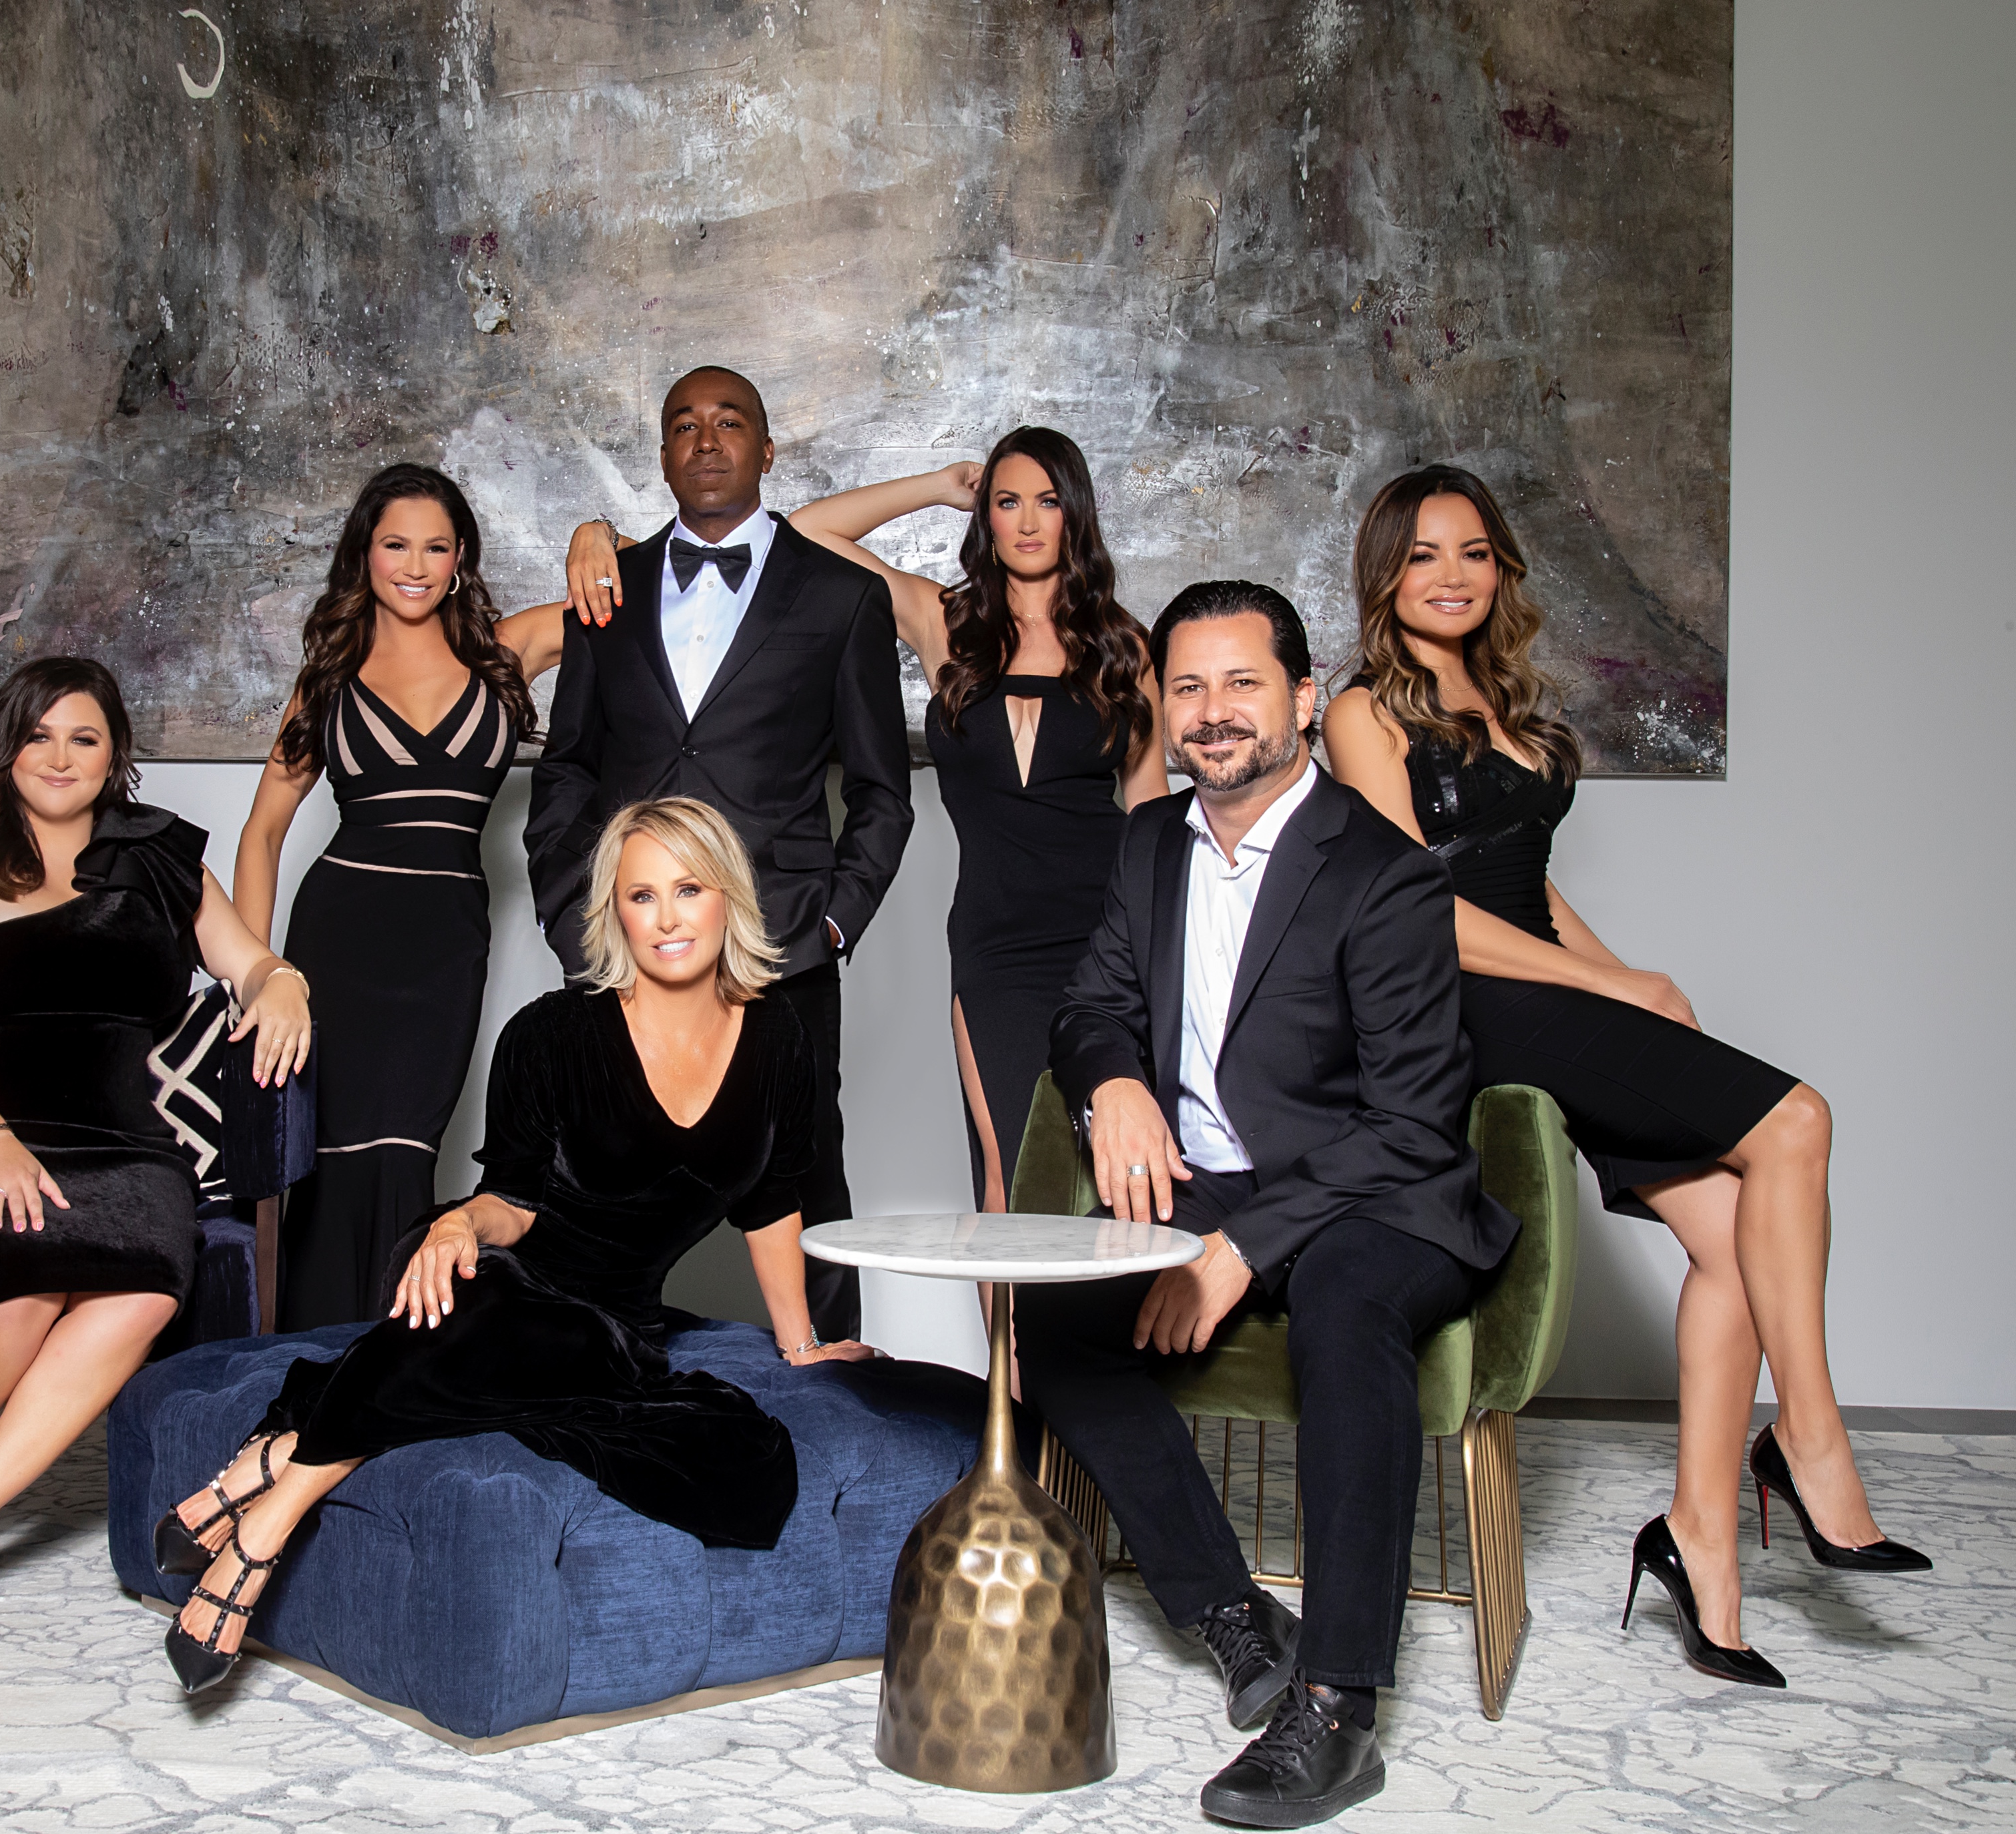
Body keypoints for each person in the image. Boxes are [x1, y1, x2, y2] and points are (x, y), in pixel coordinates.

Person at [1321, 465, 1927, 1688]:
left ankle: (1701, 1544)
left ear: (1501, 569)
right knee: (1797, 1120)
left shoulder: (1505, 699)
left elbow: (1525, 883)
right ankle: (1809, 1442)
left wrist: (1627, 976)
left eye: (1475, 551)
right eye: (1425, 553)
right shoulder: (1360, 712)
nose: (1453, 574)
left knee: (1738, 1236)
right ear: (1386, 573)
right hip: (1465, 1010)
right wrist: (1610, 990)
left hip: (1539, 985)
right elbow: (1414, 905)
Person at [152, 798, 875, 1696]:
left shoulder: (778, 1038)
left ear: (728, 894)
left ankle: (278, 1457)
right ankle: (263, 1531)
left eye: (689, 889)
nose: (667, 916)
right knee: (498, 1315)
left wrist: (801, 1343)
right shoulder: (552, 1032)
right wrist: (456, 1224)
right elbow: (512, 1202)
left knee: (730, 1455)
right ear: (615, 912)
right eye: (641, 895)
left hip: (616, 1321)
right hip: (484, 1265)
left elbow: (771, 1204)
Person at [1021, 582, 1517, 1828]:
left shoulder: (1385, 872)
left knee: (1346, 1308)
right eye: (1187, 686)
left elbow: (1411, 1121)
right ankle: (1234, 1614)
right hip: (1210, 1180)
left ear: (1301, 696)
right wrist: (1114, 1085)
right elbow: (1088, 1007)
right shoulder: (1149, 842)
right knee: (1055, 1310)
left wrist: (1242, 1246)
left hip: (1379, 1191)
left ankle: (1338, 1707)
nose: (1213, 711)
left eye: (1242, 682)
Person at [0, 657, 311, 1659]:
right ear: (5, 747)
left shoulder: (162, 857)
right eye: (39, 734)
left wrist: (282, 982)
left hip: (122, 1147)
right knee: (24, 1270)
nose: (59, 757)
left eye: (84, 737)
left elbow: (247, 962)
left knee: (141, 1287)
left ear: (114, 755)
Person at [534, 367, 914, 1341]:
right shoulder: (604, 588)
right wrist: (566, 908)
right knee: (592, 1176)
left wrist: (835, 923)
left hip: (784, 943)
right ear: (663, 455)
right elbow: (567, 764)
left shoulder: (844, 597)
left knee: (808, 1172)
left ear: (767, 449)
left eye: (730, 422)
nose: (706, 441)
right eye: (684, 426)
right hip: (628, 942)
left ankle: (834, 1381)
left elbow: (883, 790)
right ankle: (584, 1374)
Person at [776, 429, 1164, 1210]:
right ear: (985, 515)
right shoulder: (943, 621)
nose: (1028, 521)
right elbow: (805, 533)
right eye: (1007, 501)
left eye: (1047, 501)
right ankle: (1009, 1310)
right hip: (996, 940)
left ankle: (1096, 1301)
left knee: (1109, 1174)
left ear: (1075, 512)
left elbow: (1151, 810)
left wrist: (1162, 950)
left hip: (1108, 935)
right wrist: (936, 484)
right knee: (1008, 1171)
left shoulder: (1123, 644)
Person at [234, 464, 563, 1329]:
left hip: (443, 947)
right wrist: (254, 973)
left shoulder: (508, 650)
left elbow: (654, 574)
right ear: (364, 554)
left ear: (460, 560)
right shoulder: (328, 677)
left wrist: (596, 535)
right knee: (330, 1161)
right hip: (337, 938)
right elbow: (263, 831)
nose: (415, 565)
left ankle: (389, 1359)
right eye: (395, 544)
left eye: (435, 546)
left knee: (405, 1155)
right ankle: (310, 1366)